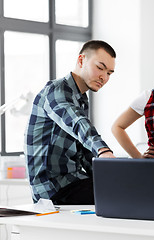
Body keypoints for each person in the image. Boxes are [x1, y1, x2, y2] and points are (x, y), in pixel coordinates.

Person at [25, 40, 117, 204]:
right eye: (100, 68)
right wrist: (103, 150)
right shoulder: (56, 91)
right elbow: (77, 123)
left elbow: (85, 152)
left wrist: (108, 174)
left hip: (72, 182)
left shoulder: (80, 99)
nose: (104, 77)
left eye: (109, 73)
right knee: (119, 195)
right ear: (81, 60)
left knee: (122, 188)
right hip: (52, 190)